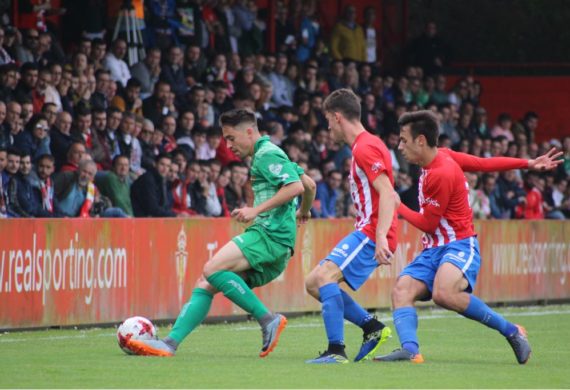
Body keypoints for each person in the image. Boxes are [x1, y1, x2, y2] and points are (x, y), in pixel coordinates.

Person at [126, 108, 316, 358]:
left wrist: (255, 210)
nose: (228, 145)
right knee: (205, 283)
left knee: (212, 269)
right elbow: (309, 184)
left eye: (231, 138)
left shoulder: (266, 155)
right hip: (278, 244)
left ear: (249, 132)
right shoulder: (271, 153)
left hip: (269, 235)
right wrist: (304, 211)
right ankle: (169, 344)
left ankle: (267, 319)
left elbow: (294, 187)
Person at [375, 110, 562, 364]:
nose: (400, 146)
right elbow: (483, 164)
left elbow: (429, 224)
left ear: (420, 140)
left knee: (444, 293)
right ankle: (410, 350)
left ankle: (511, 331)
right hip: (434, 249)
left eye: (403, 140)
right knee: (401, 290)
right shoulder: (443, 156)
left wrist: (398, 206)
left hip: (460, 245)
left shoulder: (441, 173)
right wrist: (527, 163)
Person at [304, 89, 397, 364]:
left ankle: (336, 350)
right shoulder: (368, 144)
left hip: (371, 232)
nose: (328, 127)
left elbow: (389, 193)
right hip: (369, 230)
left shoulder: (365, 147)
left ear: (337, 116)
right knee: (313, 283)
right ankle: (371, 328)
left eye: (328, 121)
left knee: (324, 279)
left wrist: (380, 237)